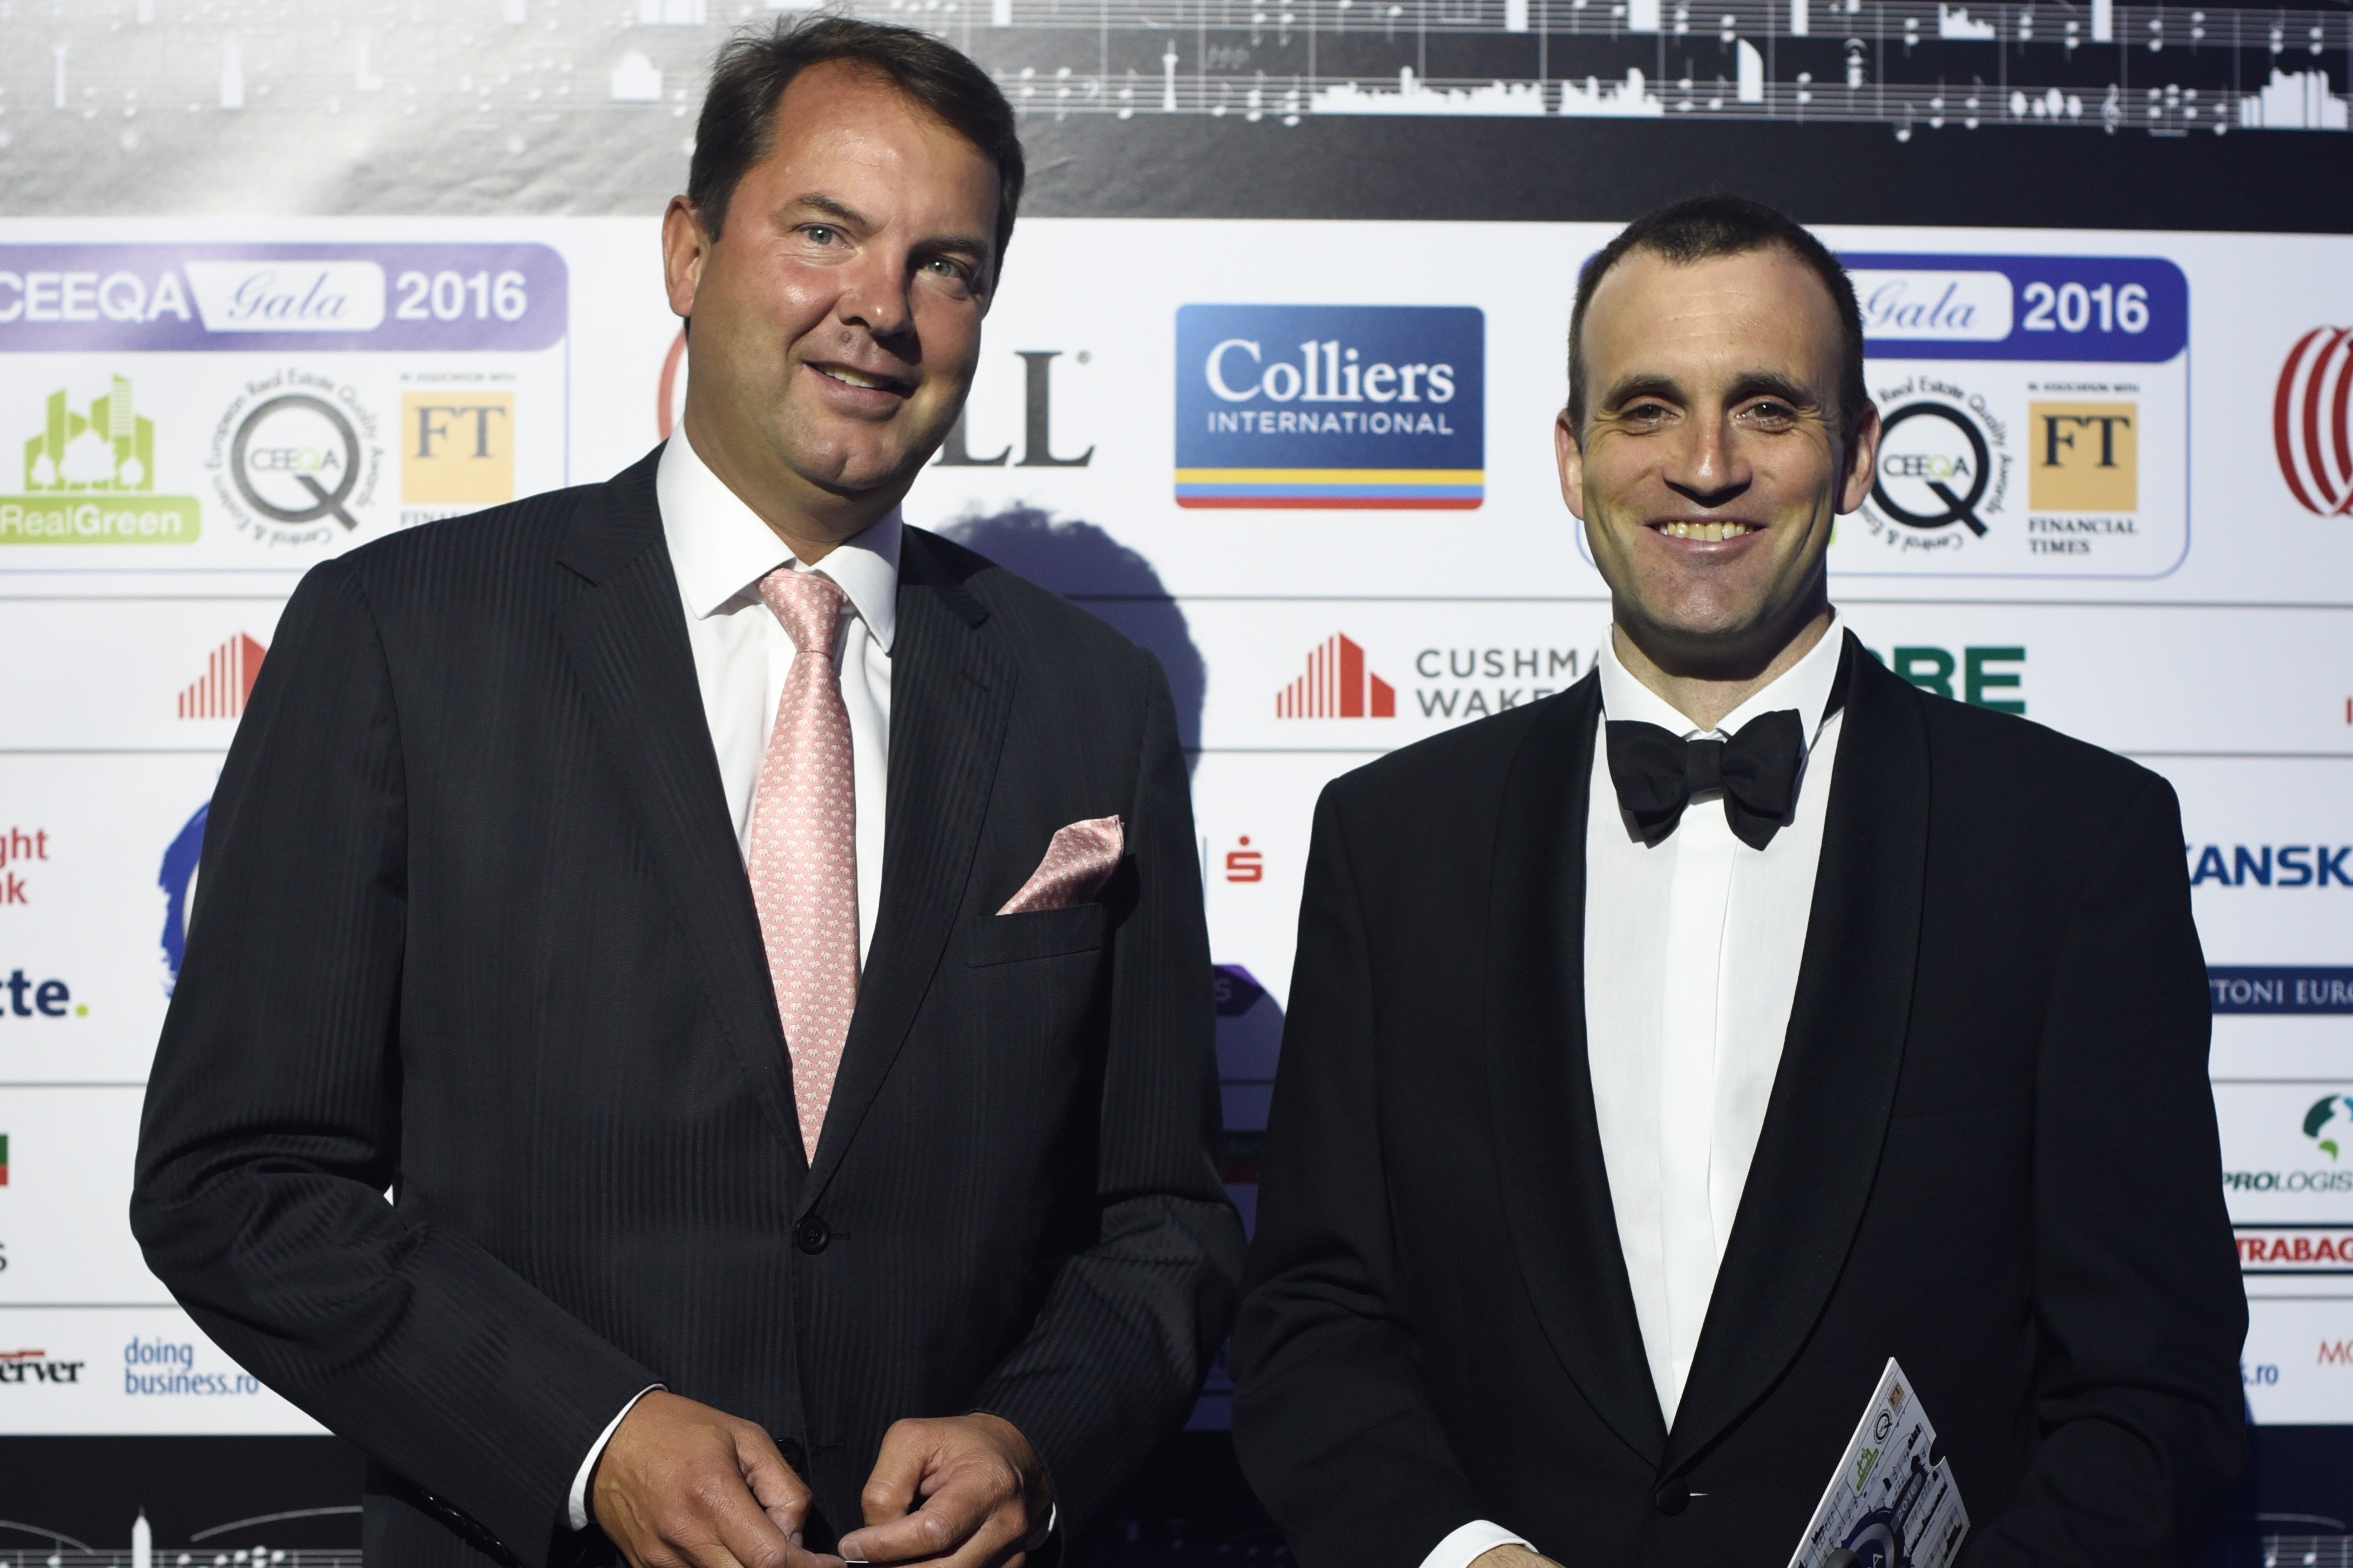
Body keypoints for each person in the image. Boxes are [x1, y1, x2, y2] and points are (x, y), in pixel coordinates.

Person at [131, 19, 1242, 1568]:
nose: (882, 307)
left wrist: (1033, 1439)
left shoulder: (1085, 701)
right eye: (823, 232)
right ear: (687, 249)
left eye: (946, 265)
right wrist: (590, 1435)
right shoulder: (402, 634)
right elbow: (238, 1182)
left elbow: (1163, 1219)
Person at [1230, 194, 2244, 1567]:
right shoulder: (1393, 840)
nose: (1704, 467)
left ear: (1859, 453)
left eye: (1766, 409)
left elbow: (2153, 1396)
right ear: (1571, 459)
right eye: (1645, 409)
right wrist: (1462, 1555)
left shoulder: (2071, 845)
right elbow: (1312, 1324)